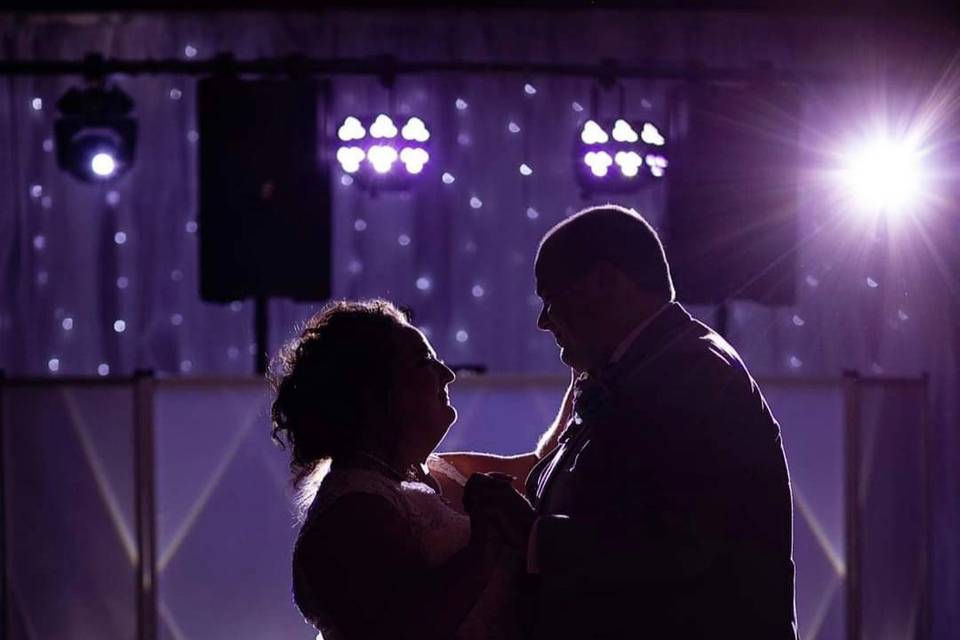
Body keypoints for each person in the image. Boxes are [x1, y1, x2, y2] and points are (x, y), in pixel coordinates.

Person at [449, 204, 799, 639]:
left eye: (550, 298)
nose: (543, 321)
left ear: (604, 282)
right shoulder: (649, 366)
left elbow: (680, 547)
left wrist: (532, 535)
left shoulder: (692, 373)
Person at [270, 299, 529, 640]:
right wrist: (485, 541)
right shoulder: (350, 513)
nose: (447, 374)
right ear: (376, 394)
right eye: (425, 362)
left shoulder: (432, 471)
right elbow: (406, 627)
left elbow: (541, 466)